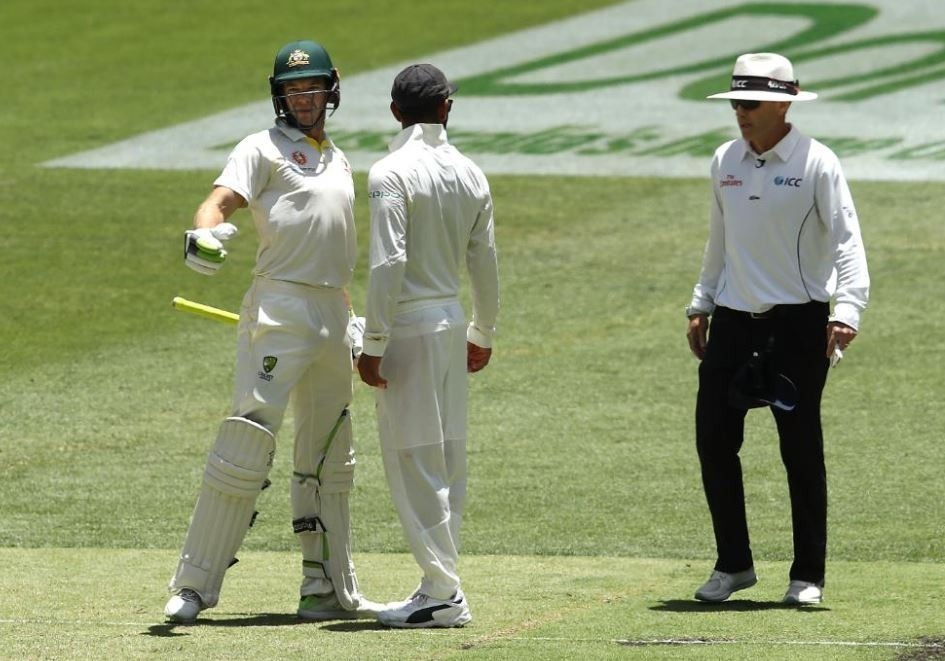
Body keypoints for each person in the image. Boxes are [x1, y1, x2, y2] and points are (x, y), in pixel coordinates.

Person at [164, 39, 381, 624]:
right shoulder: (260, 148)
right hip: (280, 307)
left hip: (332, 314)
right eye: (292, 90)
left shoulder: (336, 157)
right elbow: (218, 202)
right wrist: (203, 233)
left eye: (312, 88)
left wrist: (351, 315)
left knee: (331, 448)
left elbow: (333, 248)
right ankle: (194, 586)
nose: (303, 99)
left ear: (331, 89)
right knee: (247, 437)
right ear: (279, 95)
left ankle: (324, 586)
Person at [685, 53, 870, 606]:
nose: (741, 113)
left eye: (751, 103)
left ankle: (808, 574)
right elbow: (719, 240)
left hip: (798, 322)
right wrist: (702, 302)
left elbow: (847, 241)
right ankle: (734, 564)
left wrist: (847, 310)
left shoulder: (817, 162)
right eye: (736, 103)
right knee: (714, 441)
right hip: (735, 322)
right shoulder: (725, 160)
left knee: (800, 448)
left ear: (785, 102)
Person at [356, 63, 499, 628]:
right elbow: (484, 264)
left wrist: (372, 343)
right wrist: (482, 332)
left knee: (415, 461)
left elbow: (388, 263)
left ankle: (442, 592)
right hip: (449, 323)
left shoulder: (389, 172)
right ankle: (438, 586)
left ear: (395, 112)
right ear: (446, 107)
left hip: (409, 331)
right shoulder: (471, 173)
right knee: (446, 457)